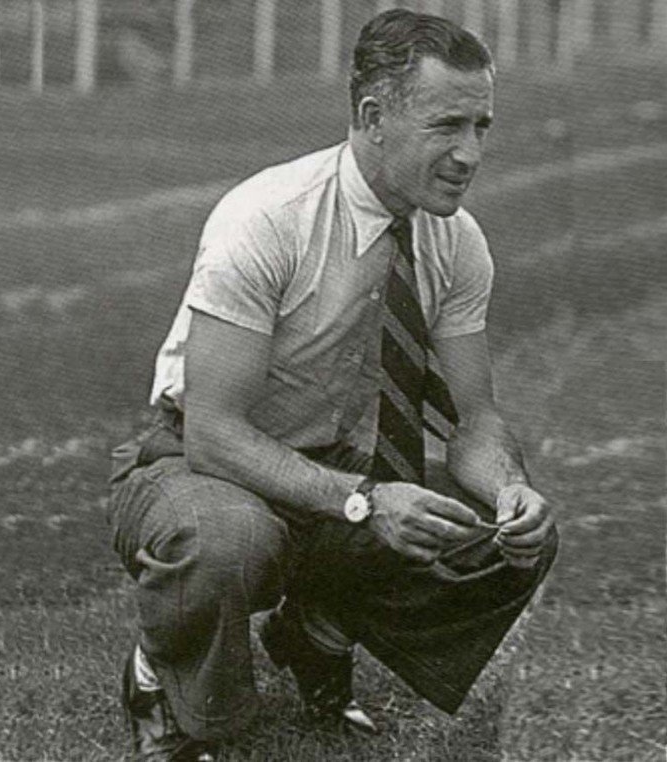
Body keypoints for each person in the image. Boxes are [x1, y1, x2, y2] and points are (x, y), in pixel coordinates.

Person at [108, 9, 558, 761]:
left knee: (507, 534)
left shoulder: (457, 241)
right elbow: (215, 431)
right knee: (226, 540)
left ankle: (315, 632)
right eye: (447, 125)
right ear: (373, 117)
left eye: (482, 125)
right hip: (202, 462)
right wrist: (363, 503)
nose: (470, 153)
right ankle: (165, 682)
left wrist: (514, 494)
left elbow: (475, 422)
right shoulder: (268, 220)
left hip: (343, 470)